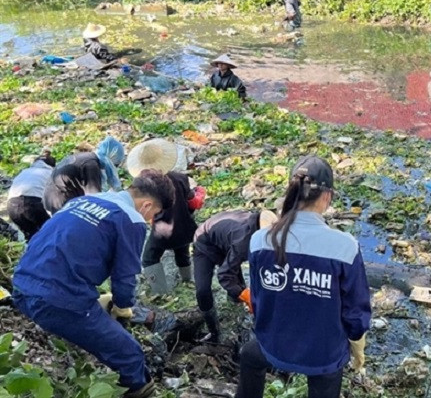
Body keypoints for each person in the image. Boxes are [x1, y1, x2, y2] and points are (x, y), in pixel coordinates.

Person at [12, 169, 176, 398]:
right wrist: (123, 307)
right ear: (147, 205)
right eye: (154, 214)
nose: (150, 220)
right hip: (56, 300)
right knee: (130, 356)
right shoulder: (131, 218)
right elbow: (124, 278)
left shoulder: (85, 200)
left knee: (95, 312)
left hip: (21, 285)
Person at [236, 156, 371, 398]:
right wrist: (358, 351)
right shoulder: (344, 247)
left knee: (249, 355)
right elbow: (356, 315)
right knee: (327, 377)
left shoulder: (260, 240)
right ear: (327, 197)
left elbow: (257, 299)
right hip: (324, 356)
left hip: (273, 345)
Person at [126, 139, 203, 294]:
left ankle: (160, 291)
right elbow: (191, 202)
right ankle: (188, 281)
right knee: (183, 253)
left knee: (149, 258)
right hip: (185, 227)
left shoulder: (142, 186)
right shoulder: (180, 178)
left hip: (162, 231)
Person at [192, 210, 278, 343]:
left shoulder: (263, 226)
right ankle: (214, 332)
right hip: (204, 243)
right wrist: (247, 296)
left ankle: (236, 307)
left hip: (226, 238)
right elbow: (224, 275)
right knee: (202, 291)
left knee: (235, 284)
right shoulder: (244, 243)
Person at [43, 136, 124, 214]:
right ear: (110, 158)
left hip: (50, 196)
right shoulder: (91, 165)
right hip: (59, 200)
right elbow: (94, 199)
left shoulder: (86, 157)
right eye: (114, 165)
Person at [7, 151, 56, 241]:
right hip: (32, 204)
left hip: (12, 206)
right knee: (49, 233)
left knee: (30, 238)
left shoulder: (24, 171)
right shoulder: (51, 173)